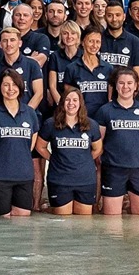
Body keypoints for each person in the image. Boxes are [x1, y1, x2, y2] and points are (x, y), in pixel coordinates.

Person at [95, 66, 139, 217]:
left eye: (129, 83)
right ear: (115, 86)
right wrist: (105, 160)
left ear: (136, 85)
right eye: (121, 83)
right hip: (114, 169)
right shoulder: (105, 110)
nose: (125, 87)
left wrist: (138, 157)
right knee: (111, 219)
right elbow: (98, 141)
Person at [0, 69, 37, 217]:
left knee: (23, 218)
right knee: (2, 221)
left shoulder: (30, 113)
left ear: (20, 87)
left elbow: (31, 142)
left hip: (23, 176)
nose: (10, 89)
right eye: (6, 85)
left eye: (14, 84)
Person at [37, 86, 102, 216]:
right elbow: (40, 146)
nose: (71, 103)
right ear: (62, 102)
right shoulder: (51, 124)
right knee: (63, 222)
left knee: (83, 223)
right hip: (59, 180)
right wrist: (54, 159)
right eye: (67, 100)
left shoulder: (91, 125)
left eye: (75, 100)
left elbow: (98, 149)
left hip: (85, 180)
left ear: (80, 103)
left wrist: (84, 160)